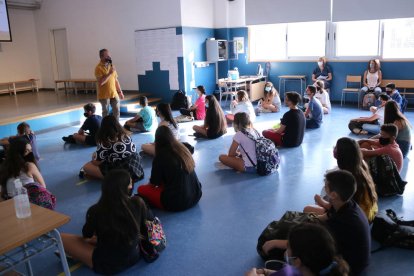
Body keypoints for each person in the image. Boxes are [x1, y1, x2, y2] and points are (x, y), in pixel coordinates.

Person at [262, 170, 370, 275]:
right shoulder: (346, 204)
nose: (324, 187)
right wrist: (307, 220)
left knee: (289, 253)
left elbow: (313, 245)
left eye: (326, 186)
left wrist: (275, 242)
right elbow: (327, 215)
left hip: (349, 268)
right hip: (347, 254)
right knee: (306, 214)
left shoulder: (341, 223)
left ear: (333, 195)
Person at [60, 170, 150, 275]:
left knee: (60, 237)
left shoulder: (95, 210)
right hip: (135, 255)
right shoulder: (138, 202)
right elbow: (144, 228)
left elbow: (86, 235)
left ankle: (80, 254)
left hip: (109, 265)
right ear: (128, 187)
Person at [304, 137, 378, 223]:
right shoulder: (361, 164)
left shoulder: (346, 178)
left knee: (308, 209)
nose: (334, 149)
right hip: (368, 213)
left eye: (336, 147)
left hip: (354, 218)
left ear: (341, 155)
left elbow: (340, 207)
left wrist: (320, 200)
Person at [138, 126, 202, 211]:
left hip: (176, 203)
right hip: (196, 195)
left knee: (141, 189)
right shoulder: (183, 149)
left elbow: (154, 183)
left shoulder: (160, 157)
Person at [246, 224, 349, 276]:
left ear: (297, 261)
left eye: (288, 246)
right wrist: (266, 271)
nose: (286, 249)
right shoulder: (320, 268)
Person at [81, 115, 143, 181]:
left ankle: (115, 179)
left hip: (123, 173)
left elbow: (96, 163)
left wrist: (94, 156)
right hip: (137, 169)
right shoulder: (126, 136)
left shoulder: (106, 142)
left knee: (86, 167)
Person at [95, 49, 124, 121]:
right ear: (102, 57)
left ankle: (116, 127)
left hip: (114, 93)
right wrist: (109, 73)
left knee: (117, 111)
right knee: (105, 113)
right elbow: (101, 82)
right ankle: (106, 129)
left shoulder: (112, 66)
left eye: (109, 55)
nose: (109, 57)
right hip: (104, 95)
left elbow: (116, 80)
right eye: (107, 55)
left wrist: (120, 92)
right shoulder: (98, 68)